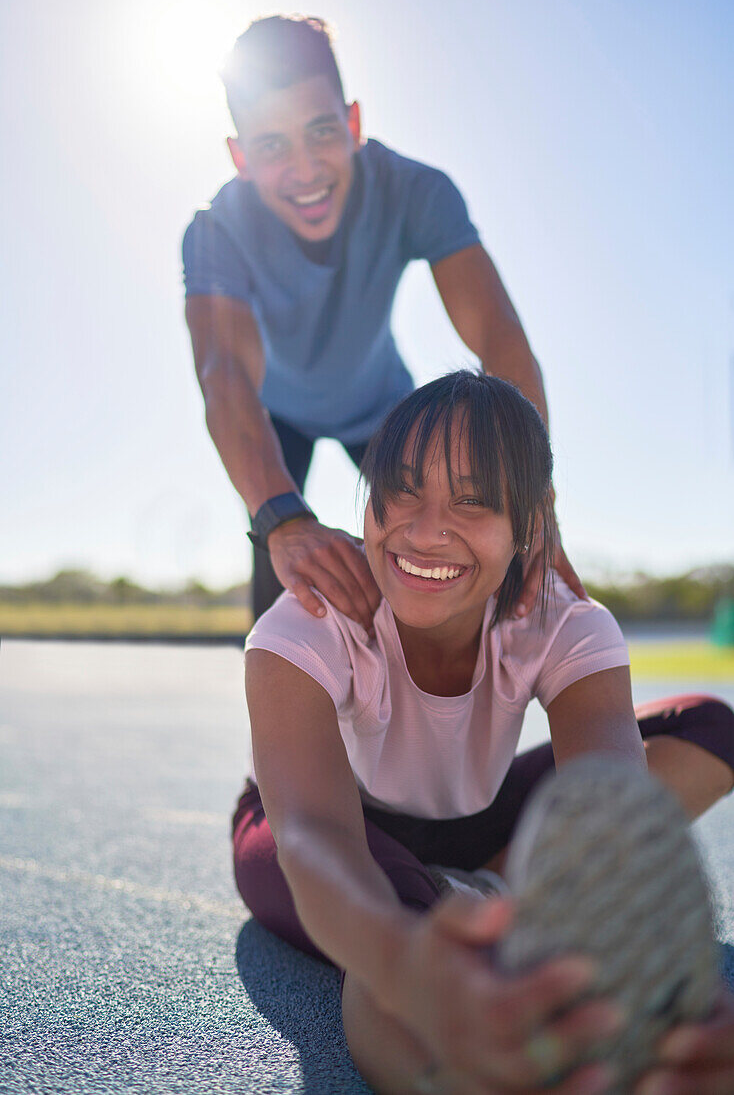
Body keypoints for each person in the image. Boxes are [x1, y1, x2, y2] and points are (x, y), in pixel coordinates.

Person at [233, 370, 734, 1094]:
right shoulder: (306, 619)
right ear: (368, 503)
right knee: (389, 923)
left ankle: (494, 885)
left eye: (472, 499)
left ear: (530, 527)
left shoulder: (563, 620)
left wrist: (646, 976)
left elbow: (615, 802)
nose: (426, 527)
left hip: (478, 823)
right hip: (329, 828)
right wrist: (405, 965)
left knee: (709, 726)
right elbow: (316, 836)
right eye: (401, 489)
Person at [182, 15, 583, 627]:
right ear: (240, 157)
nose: (306, 169)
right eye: (272, 147)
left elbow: (499, 338)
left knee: (459, 546)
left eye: (321, 132)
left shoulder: (416, 191)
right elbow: (224, 373)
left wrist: (531, 496)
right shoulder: (214, 232)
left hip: (383, 406)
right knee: (285, 592)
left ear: (353, 123)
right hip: (274, 417)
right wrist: (283, 519)